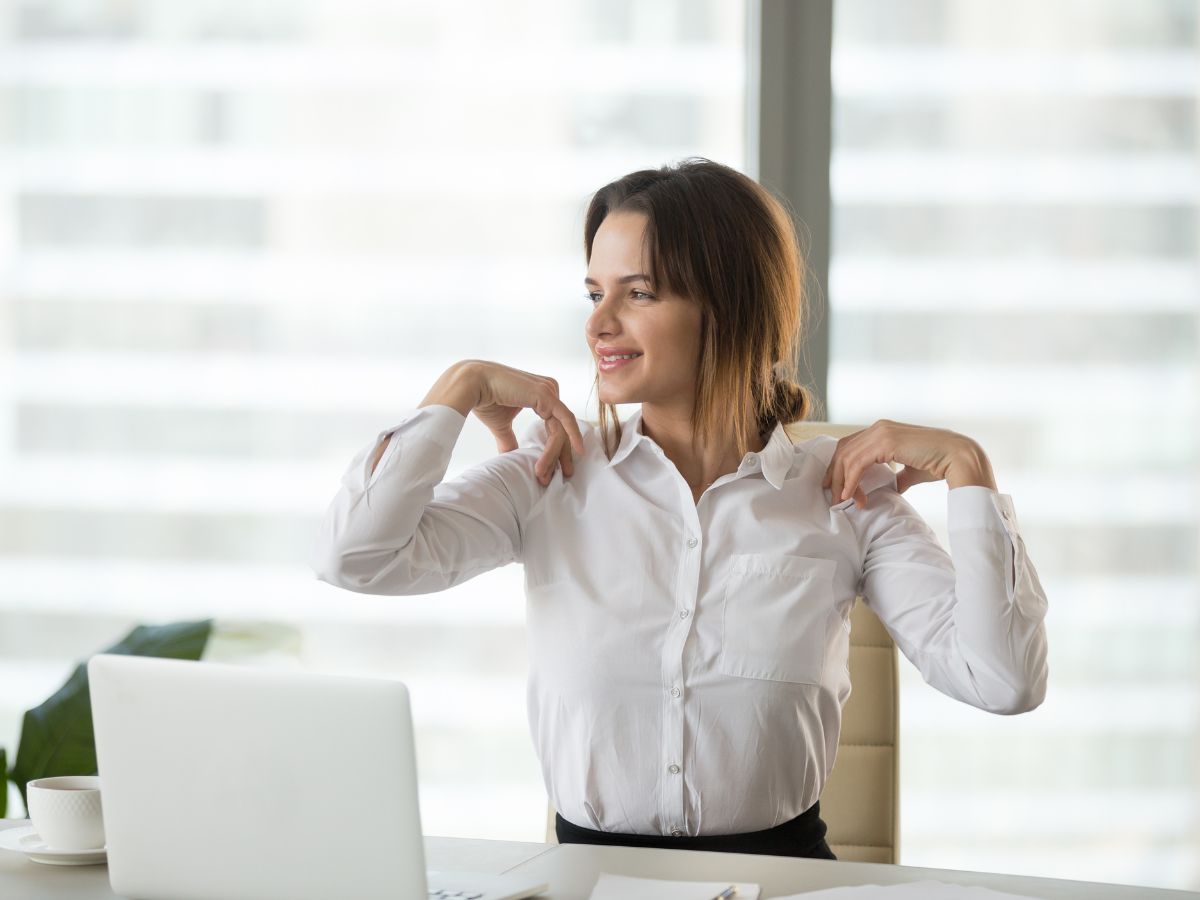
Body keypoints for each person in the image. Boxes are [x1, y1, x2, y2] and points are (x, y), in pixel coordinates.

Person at [309, 157, 1049, 860]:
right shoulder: (551, 471)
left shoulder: (843, 494)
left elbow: (1002, 680)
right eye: (594, 293)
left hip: (781, 885)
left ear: (727, 307)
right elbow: (356, 558)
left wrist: (969, 471)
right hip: (588, 885)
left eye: (638, 293)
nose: (600, 324)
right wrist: (459, 386)